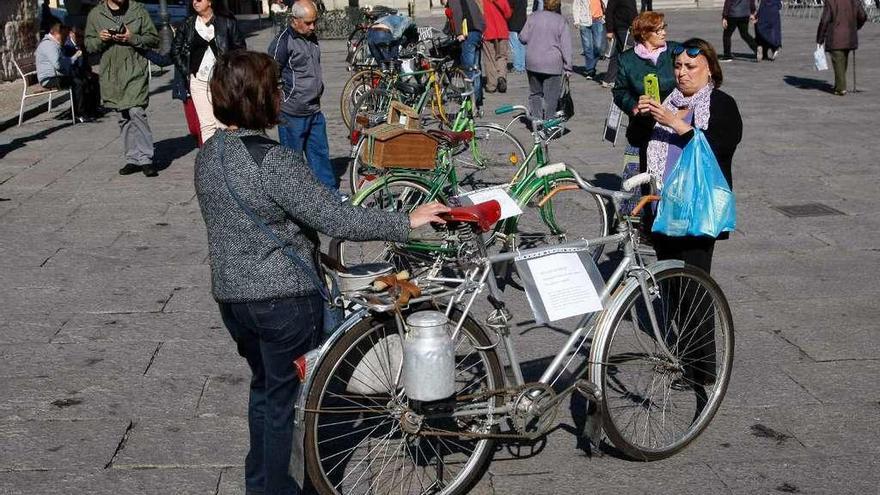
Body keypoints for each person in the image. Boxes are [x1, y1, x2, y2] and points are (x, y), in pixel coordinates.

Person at [194, 50, 450, 495]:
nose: (282, 95)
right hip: (282, 302)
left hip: (234, 299)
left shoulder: (209, 154)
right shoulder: (272, 161)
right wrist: (407, 220)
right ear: (258, 98)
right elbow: (337, 218)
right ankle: (282, 488)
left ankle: (261, 482)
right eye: (276, 88)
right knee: (290, 406)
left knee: (266, 395)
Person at [636, 38, 741, 385]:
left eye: (690, 67)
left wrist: (678, 124)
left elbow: (721, 146)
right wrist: (641, 116)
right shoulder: (667, 102)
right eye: (678, 66)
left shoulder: (722, 105)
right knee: (673, 291)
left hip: (696, 212)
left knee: (696, 289)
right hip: (662, 208)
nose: (681, 73)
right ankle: (684, 356)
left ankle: (703, 370)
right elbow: (639, 141)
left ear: (709, 67)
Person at [85, 0, 160, 177]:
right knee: (123, 115)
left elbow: (153, 39)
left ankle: (146, 159)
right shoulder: (95, 14)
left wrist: (131, 37)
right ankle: (132, 158)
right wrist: (100, 39)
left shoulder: (138, 10)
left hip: (135, 68)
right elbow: (89, 45)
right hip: (112, 73)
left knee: (136, 111)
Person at [269, 1, 337, 191]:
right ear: (294, 20)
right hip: (292, 113)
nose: (312, 26)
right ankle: (294, 199)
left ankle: (329, 195)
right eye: (308, 23)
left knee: (320, 156)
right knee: (292, 164)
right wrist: (282, 99)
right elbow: (270, 74)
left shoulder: (311, 37)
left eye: (314, 22)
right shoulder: (283, 42)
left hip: (314, 110)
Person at [612, 11, 679, 173]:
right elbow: (619, 91)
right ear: (644, 34)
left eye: (664, 28)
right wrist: (634, 107)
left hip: (675, 124)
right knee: (645, 176)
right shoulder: (627, 60)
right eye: (658, 30)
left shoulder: (675, 51)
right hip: (643, 127)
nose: (664, 32)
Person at [172, 0, 246, 143]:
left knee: (224, 123)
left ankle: (227, 159)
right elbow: (176, 50)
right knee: (206, 125)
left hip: (222, 81)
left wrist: (230, 71)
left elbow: (240, 50)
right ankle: (210, 161)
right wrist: (187, 70)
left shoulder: (227, 22)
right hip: (198, 81)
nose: (195, 2)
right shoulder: (189, 23)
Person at [518, 0, 571, 120]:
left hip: (533, 62)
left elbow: (523, 37)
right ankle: (549, 122)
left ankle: (536, 121)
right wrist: (568, 67)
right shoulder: (561, 21)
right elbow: (566, 46)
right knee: (551, 97)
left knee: (535, 93)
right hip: (552, 64)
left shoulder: (533, 17)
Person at [817, 0, 868, 96]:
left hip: (835, 37)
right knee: (842, 61)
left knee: (839, 62)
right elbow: (863, 16)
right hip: (849, 36)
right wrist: (856, 27)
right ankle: (839, 85)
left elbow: (824, 20)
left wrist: (820, 39)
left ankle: (841, 88)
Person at [448, 0, 485, 109]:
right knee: (476, 68)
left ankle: (471, 101)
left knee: (468, 71)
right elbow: (480, 16)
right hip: (477, 33)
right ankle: (477, 99)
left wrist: (459, 33)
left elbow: (457, 13)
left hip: (468, 34)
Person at [63, 26, 102, 119]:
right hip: (72, 73)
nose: (80, 38)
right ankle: (80, 111)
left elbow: (85, 62)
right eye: (78, 36)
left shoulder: (81, 45)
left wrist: (88, 71)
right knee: (80, 83)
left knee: (95, 78)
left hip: (81, 71)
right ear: (71, 34)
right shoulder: (67, 46)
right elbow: (68, 64)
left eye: (82, 36)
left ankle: (94, 107)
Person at [602, 0, 637, 88]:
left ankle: (609, 79)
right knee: (628, 54)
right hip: (622, 28)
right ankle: (627, 80)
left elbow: (632, 11)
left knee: (617, 54)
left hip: (630, 27)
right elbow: (609, 12)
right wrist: (609, 30)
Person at [482, 0, 513, 94]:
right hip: (501, 29)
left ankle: (491, 85)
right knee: (502, 56)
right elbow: (508, 14)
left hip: (488, 31)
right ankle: (501, 76)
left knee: (489, 59)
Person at [573, 0, 606, 80]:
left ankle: (591, 66)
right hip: (584, 21)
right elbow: (576, 6)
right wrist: (576, 21)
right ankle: (590, 70)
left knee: (599, 47)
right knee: (587, 47)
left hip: (598, 20)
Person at [507, 0, 527, 73]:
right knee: (521, 45)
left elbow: (508, 10)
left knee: (515, 46)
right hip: (522, 22)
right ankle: (522, 65)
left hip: (513, 23)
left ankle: (518, 66)